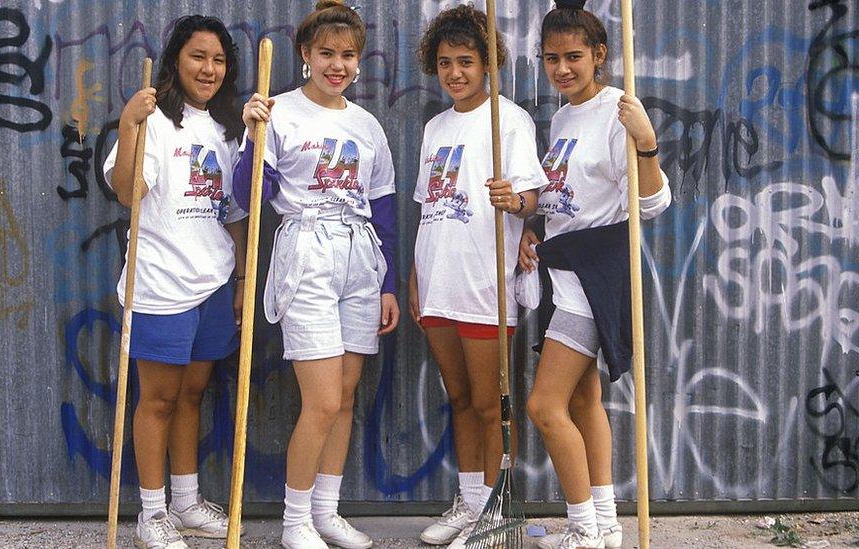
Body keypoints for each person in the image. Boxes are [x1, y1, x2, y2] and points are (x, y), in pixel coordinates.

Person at [234, 1, 399, 547]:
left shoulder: (366, 123)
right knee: (323, 399)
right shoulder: (274, 110)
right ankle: (296, 520)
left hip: (360, 255)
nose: (338, 65)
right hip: (305, 249)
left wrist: (390, 282)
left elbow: (384, 206)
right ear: (305, 55)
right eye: (326, 53)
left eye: (348, 54)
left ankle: (326, 511)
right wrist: (252, 144)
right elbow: (245, 197)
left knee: (346, 394)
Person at [518, 1, 672, 548]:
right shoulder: (561, 117)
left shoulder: (618, 111)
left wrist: (647, 140)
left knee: (543, 405)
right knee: (583, 402)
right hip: (562, 267)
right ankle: (605, 525)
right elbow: (567, 200)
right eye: (551, 58)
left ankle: (583, 529)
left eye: (574, 57)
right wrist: (535, 227)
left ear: (600, 56)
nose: (561, 68)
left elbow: (651, 205)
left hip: (593, 276)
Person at [103, 15, 247, 549]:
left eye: (218, 60)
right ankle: (151, 512)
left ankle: (185, 503)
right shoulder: (154, 122)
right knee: (157, 400)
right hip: (162, 285)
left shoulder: (228, 127)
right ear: (175, 61)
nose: (208, 69)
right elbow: (127, 192)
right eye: (197, 57)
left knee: (192, 395)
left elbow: (233, 211)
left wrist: (240, 274)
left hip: (212, 283)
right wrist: (126, 127)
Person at [409, 5, 549, 547]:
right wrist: (417, 279)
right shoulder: (435, 127)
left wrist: (516, 203)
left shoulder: (508, 119)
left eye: (466, 61)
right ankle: (468, 505)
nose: (456, 73)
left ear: (487, 63)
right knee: (460, 399)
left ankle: (493, 512)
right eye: (445, 63)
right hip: (439, 278)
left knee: (491, 404)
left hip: (484, 283)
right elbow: (428, 207)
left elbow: (532, 196)